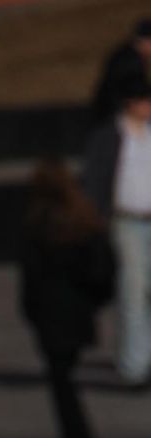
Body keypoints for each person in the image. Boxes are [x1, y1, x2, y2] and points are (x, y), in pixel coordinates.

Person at [20, 164, 116, 438]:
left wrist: (30, 311)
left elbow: (31, 278)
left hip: (52, 314)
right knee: (66, 382)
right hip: (78, 312)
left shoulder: (39, 225)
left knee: (62, 387)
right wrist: (96, 298)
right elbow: (104, 267)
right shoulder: (84, 221)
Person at [83, 77, 151, 386]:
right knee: (133, 290)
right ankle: (135, 365)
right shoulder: (110, 136)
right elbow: (95, 179)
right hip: (126, 221)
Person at [92, 17, 151, 125]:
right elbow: (135, 92)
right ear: (145, 41)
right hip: (114, 115)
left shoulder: (128, 54)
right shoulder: (131, 60)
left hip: (109, 112)